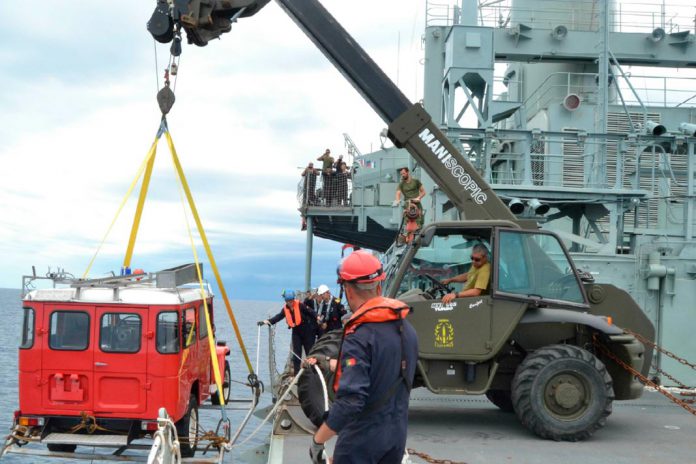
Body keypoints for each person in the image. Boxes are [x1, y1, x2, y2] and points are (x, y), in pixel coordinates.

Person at [307, 251, 418, 464]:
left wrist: (318, 442)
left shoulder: (359, 337)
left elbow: (351, 402)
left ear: (348, 290)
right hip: (396, 437)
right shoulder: (407, 329)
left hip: (362, 442)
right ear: (379, 286)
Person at [259, 289, 319, 374]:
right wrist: (267, 321)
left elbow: (310, 311)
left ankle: (314, 373)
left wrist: (318, 317)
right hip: (296, 332)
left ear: (293, 299)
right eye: (288, 301)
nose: (290, 303)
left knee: (310, 353)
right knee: (296, 354)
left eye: (291, 301)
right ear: (286, 301)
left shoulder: (300, 305)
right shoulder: (285, 309)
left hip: (307, 331)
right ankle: (297, 375)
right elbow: (278, 317)